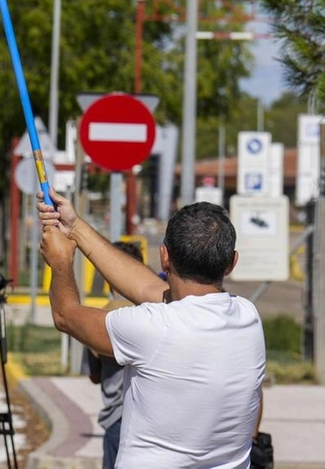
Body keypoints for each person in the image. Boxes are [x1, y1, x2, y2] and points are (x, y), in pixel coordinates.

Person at [39, 192, 265, 468]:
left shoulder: (152, 328)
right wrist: (75, 228)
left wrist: (60, 261)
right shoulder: (248, 317)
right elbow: (147, 288)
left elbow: (66, 316)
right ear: (231, 262)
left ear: (164, 257)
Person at [81, 240, 144, 469]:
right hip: (150, 422)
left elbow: (94, 376)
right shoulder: (154, 313)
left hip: (116, 420)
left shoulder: (100, 318)